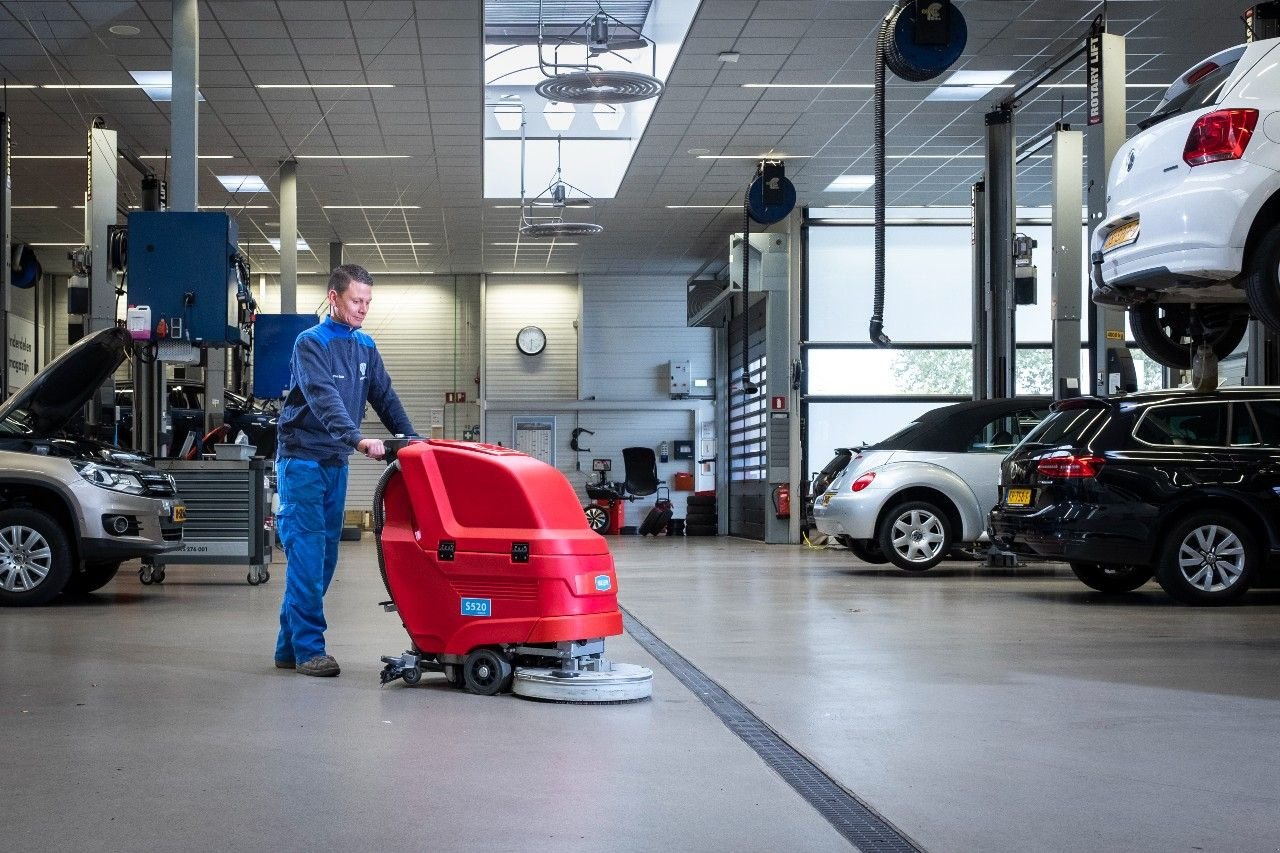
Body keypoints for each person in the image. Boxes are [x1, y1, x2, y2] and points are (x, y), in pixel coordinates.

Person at [274, 264, 415, 677]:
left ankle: (287, 647)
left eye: (368, 302)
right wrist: (358, 439)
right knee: (307, 555)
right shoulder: (310, 343)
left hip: (335, 462)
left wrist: (411, 438)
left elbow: (384, 396)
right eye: (357, 300)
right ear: (333, 297)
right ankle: (309, 650)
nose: (363, 309)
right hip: (301, 460)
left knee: (324, 561)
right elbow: (323, 398)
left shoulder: (365, 346)